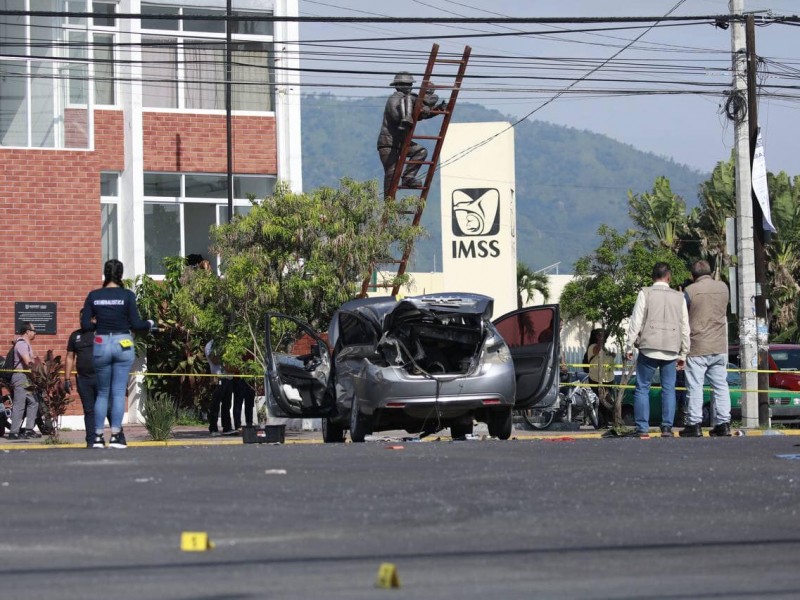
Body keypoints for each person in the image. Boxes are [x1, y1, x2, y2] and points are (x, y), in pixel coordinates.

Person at [81, 259, 154, 449]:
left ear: (105, 273)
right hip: (123, 342)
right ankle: (115, 435)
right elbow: (137, 325)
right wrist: (150, 324)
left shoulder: (94, 295)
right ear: (121, 275)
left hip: (101, 342)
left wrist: (101, 326)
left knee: (103, 393)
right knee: (119, 392)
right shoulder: (127, 295)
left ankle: (97, 437)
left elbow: (86, 325)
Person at [625, 262, 690, 438]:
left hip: (648, 347)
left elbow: (636, 321)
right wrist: (684, 352)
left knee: (642, 388)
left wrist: (629, 345)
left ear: (653, 277)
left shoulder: (645, 293)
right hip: (671, 348)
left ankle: (642, 428)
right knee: (669, 388)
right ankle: (667, 427)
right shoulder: (679, 297)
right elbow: (685, 327)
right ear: (669, 276)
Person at [680, 259, 732, 437]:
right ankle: (724, 423)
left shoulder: (690, 290)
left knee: (695, 386)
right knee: (720, 386)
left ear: (693, 275)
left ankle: (694, 424)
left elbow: (683, 313)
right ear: (709, 272)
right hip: (719, 345)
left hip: (698, 345)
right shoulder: (723, 287)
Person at [377, 71, 445, 198]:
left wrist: (436, 110)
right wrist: (409, 115)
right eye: (407, 84)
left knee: (420, 152)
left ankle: (408, 177)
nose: (410, 87)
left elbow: (417, 116)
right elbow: (396, 116)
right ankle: (389, 203)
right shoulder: (395, 99)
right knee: (392, 172)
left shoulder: (408, 100)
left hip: (401, 142)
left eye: (410, 84)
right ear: (399, 85)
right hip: (389, 143)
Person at [65, 310, 101, 448]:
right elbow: (69, 357)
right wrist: (67, 379)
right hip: (84, 379)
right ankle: (91, 441)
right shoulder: (75, 336)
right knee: (89, 410)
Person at [7, 322, 41, 440]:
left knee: (34, 402)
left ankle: (28, 430)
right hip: (20, 376)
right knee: (19, 404)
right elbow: (28, 362)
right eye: (34, 330)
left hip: (26, 377)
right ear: (27, 331)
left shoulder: (26, 343)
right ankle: (13, 432)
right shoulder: (21, 343)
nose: (35, 332)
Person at [205, 340, 236, 436]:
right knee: (215, 405)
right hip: (218, 378)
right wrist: (225, 358)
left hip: (228, 378)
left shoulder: (227, 343)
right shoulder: (210, 345)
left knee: (227, 405)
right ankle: (213, 428)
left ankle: (227, 428)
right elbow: (213, 359)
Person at [585, 328, 615, 426]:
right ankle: (602, 422)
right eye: (601, 335)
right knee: (603, 401)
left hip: (607, 378)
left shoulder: (604, 348)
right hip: (597, 379)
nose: (604, 338)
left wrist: (611, 355)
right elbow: (597, 351)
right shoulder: (593, 347)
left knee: (605, 402)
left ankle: (605, 422)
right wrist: (600, 341)